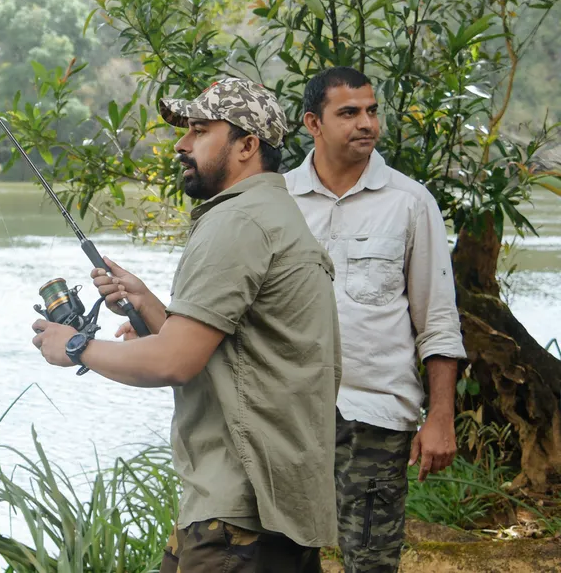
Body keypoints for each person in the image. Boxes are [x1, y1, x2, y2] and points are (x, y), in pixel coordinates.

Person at [31, 78, 342, 572]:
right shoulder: (273, 214)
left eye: (199, 131)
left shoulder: (236, 223)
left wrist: (75, 347)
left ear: (246, 146)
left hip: (239, 516)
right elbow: (239, 353)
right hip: (263, 506)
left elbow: (176, 361)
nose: (181, 144)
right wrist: (150, 305)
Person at [286, 66, 466, 573]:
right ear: (312, 124)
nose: (366, 123)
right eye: (349, 113)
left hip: (376, 415)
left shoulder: (410, 203)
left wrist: (441, 417)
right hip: (289, 414)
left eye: (371, 110)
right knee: (282, 558)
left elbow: (438, 321)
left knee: (370, 562)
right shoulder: (278, 202)